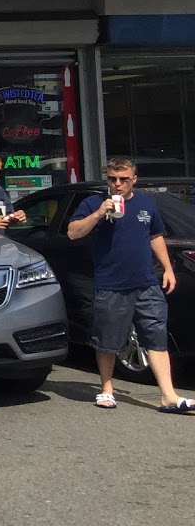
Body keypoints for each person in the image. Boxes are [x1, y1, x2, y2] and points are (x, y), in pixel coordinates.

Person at [67, 156, 194, 413]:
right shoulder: (92, 203)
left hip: (146, 283)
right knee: (107, 340)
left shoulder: (147, 203)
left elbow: (155, 235)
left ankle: (168, 396)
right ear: (108, 179)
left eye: (124, 179)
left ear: (134, 180)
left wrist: (168, 268)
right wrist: (100, 213)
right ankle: (106, 389)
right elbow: (73, 232)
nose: (118, 184)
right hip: (111, 284)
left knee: (156, 337)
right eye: (113, 179)